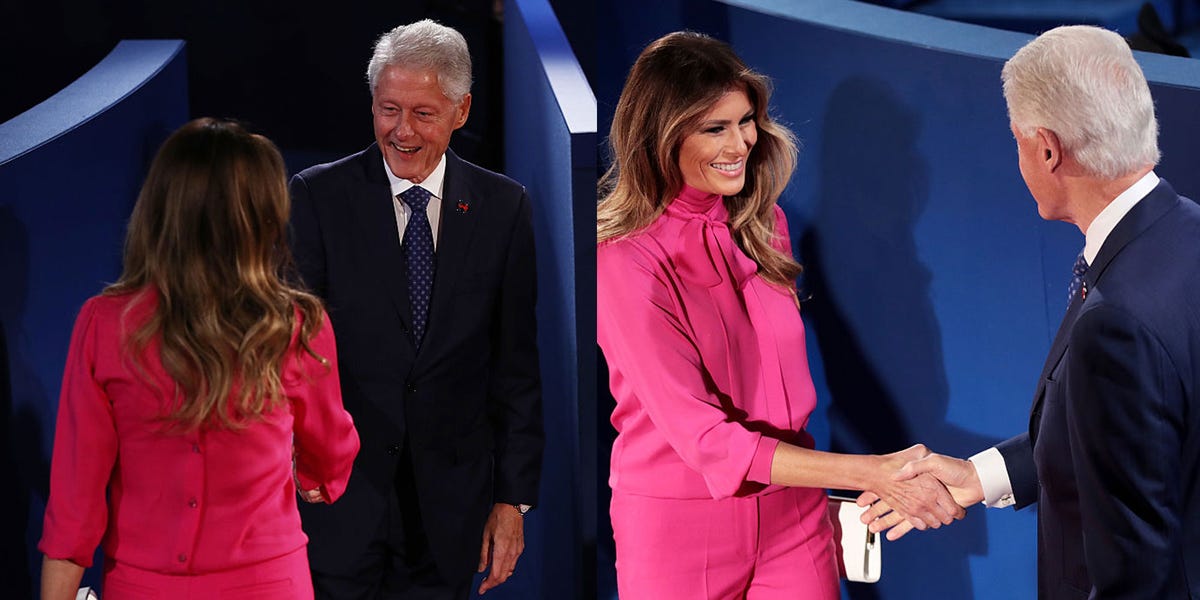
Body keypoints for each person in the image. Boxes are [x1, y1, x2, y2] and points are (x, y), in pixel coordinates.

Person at [596, 31, 963, 599]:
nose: (741, 143)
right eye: (715, 128)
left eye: (745, 121)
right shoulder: (624, 259)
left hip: (794, 519)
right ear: (661, 137)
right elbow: (707, 440)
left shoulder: (765, 226)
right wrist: (870, 473)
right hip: (680, 532)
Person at [863, 25, 1200, 598]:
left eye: (1016, 139)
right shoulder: (1186, 230)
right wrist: (981, 477)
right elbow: (1143, 439)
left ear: (1047, 149)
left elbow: (1134, 575)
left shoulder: (1114, 323)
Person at [37, 118, 360, 599]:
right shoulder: (296, 325)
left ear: (160, 211)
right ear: (261, 217)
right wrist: (314, 477)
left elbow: (74, 508)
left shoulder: (105, 323)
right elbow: (331, 454)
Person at [288, 19, 544, 600]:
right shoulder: (318, 196)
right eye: (388, 109)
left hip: (450, 513)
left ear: (462, 110)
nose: (402, 131)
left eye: (423, 113)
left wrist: (512, 499)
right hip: (339, 502)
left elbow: (516, 367)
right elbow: (294, 353)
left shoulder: (504, 208)